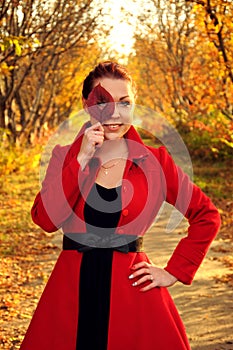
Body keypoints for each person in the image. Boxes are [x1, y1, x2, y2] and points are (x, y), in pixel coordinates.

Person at [20, 61, 221, 350]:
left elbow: (207, 215)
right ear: (86, 105)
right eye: (103, 103)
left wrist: (174, 271)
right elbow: (45, 220)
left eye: (125, 103)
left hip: (134, 297)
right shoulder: (65, 156)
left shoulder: (156, 162)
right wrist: (81, 159)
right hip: (70, 296)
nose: (115, 113)